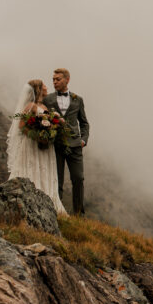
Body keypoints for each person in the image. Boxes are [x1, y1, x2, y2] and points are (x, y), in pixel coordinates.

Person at [7, 79, 67, 214]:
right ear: (39, 89)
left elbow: (52, 123)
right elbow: (21, 126)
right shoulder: (30, 106)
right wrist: (38, 136)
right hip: (32, 145)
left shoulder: (45, 108)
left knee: (44, 169)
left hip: (45, 146)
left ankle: (48, 199)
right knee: (33, 167)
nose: (47, 87)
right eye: (44, 85)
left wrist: (52, 130)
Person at [43, 68, 90, 215]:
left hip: (76, 146)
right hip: (56, 145)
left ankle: (78, 214)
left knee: (78, 179)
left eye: (58, 79)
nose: (54, 82)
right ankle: (57, 211)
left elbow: (84, 123)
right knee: (58, 181)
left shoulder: (78, 99)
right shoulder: (47, 99)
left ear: (67, 80)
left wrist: (83, 140)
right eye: (53, 79)